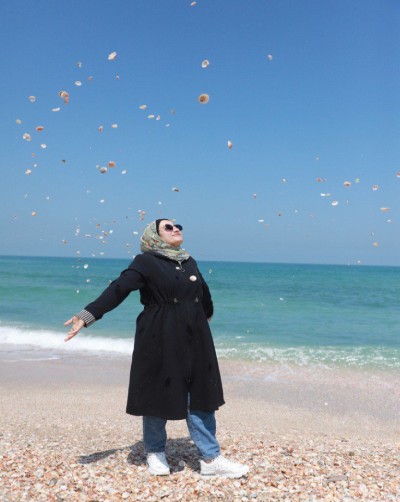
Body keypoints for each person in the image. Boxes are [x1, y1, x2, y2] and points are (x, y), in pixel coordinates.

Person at [64, 219, 249, 479]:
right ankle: (154, 452)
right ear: (154, 236)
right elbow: (119, 288)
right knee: (157, 390)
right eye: (168, 227)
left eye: (179, 225)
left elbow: (202, 292)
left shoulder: (188, 260)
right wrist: (87, 315)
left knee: (201, 392)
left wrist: (205, 314)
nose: (176, 229)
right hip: (159, 333)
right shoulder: (146, 262)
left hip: (196, 335)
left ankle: (211, 458)